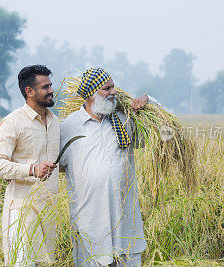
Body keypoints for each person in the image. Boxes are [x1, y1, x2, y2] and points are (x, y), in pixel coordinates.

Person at [60, 67, 161, 266]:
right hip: (90, 224)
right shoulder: (68, 127)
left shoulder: (125, 121)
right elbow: (57, 165)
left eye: (113, 87)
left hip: (125, 223)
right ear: (90, 95)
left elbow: (164, 128)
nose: (113, 92)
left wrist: (150, 101)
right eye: (107, 88)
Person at [0, 65, 59, 266]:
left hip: (50, 211)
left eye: (51, 85)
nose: (51, 90)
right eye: (45, 87)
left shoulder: (55, 123)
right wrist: (31, 169)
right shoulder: (13, 121)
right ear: (29, 91)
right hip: (22, 212)